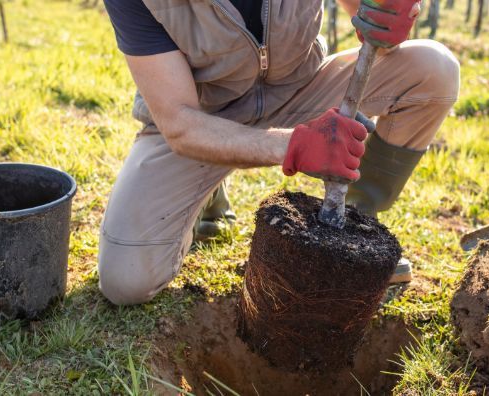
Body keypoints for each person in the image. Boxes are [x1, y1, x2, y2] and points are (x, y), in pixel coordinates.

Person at [97, 0, 459, 305]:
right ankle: (205, 190)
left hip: (301, 90)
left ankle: (353, 230)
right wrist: (295, 145)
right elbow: (179, 121)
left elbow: (365, 6)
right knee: (126, 280)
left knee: (433, 69)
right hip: (204, 118)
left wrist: (382, 11)